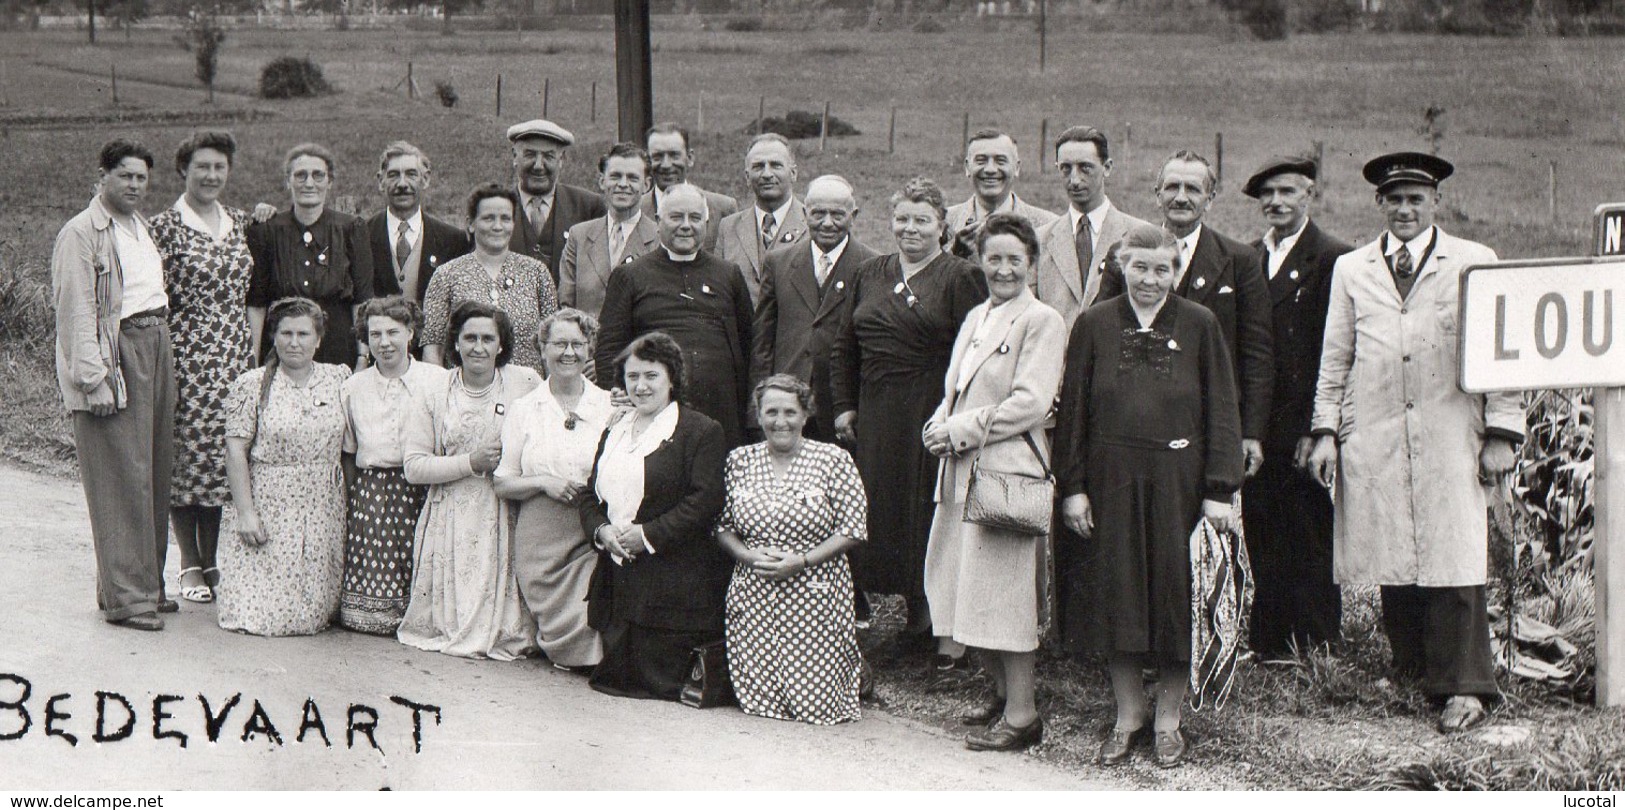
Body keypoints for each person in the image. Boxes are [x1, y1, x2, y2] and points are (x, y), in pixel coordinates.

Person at [1307, 152, 1523, 734]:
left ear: (1436, 203)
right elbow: (1336, 358)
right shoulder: (1354, 269)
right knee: (1393, 546)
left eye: (1415, 199)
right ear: (1378, 203)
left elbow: (1501, 355)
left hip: (1453, 428)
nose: (1404, 209)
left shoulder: (1474, 262)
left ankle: (1466, 685)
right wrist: (1326, 430)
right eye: (1394, 199)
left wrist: (1502, 432)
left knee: (1455, 553)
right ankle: (1414, 668)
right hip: (1376, 427)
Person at [1054, 225, 1244, 768]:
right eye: (1140, 267)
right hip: (1110, 476)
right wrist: (1074, 489)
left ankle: (1168, 720)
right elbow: (1073, 415)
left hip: (1179, 480)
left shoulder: (1200, 324)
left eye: (1162, 269)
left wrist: (1219, 490)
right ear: (1121, 266)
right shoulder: (1092, 324)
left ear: (1176, 271)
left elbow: (1222, 410)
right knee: (1119, 595)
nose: (1150, 280)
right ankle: (1128, 715)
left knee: (1173, 595)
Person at [922, 214, 1066, 751]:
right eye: (994, 258)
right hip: (962, 467)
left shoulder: (1042, 320)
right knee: (964, 586)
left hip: (1006, 471)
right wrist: (939, 421)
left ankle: (1024, 714)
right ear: (980, 260)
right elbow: (959, 388)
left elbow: (1030, 403)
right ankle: (1002, 694)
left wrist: (956, 430)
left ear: (1031, 263)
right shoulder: (979, 315)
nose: (1003, 269)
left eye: (1014, 259)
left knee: (1004, 595)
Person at [830, 176, 987, 648]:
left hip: (929, 411)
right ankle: (899, 614)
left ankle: (932, 625)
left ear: (942, 226)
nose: (910, 229)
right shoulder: (870, 272)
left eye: (922, 220)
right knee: (882, 511)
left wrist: (954, 416)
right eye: (902, 219)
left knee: (926, 511)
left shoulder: (961, 276)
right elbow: (844, 345)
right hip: (877, 413)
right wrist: (844, 406)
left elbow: (974, 355)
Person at [52, 138, 178, 631]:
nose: (134, 185)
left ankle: (143, 584)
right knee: (119, 476)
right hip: (115, 352)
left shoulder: (139, 226)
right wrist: (94, 379)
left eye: (142, 177)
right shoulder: (81, 233)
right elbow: (76, 310)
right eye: (125, 175)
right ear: (103, 176)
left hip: (155, 342)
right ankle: (129, 600)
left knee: (152, 469)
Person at [1097, 150, 1274, 479]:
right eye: (1172, 187)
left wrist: (1251, 432)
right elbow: (1100, 334)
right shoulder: (1125, 253)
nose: (1181, 197)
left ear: (1210, 199)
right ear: (1157, 194)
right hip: (1135, 424)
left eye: (1193, 189)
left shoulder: (1240, 260)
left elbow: (1256, 352)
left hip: (1208, 427)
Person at [1238, 156, 1353, 659]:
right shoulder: (1248, 257)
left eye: (1287, 192)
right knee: (1262, 523)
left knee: (1306, 529)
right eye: (1268, 195)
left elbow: (1330, 347)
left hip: (1301, 420)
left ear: (1308, 195)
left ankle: (1315, 640)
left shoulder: (1331, 257)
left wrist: (1317, 426)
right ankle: (1268, 641)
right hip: (1259, 422)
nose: (1276, 203)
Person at [580, 332, 729, 700]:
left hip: (672, 588)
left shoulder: (700, 431)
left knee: (655, 685)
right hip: (618, 582)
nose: (641, 386)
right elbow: (589, 493)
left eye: (651, 376)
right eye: (633, 377)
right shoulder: (615, 428)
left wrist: (646, 535)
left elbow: (704, 501)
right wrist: (602, 531)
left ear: (672, 378)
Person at [716, 374, 869, 724]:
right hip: (755, 590)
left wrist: (801, 561)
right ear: (758, 415)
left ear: (805, 415)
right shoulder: (740, 460)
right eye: (770, 412)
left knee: (816, 709)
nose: (779, 421)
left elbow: (854, 530)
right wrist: (745, 555)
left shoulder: (833, 460)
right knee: (759, 705)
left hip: (814, 591)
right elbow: (722, 525)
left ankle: (849, 673)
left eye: (789, 412)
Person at [398, 301, 542, 660]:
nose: (479, 347)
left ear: (501, 344)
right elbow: (414, 467)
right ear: (456, 343)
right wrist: (470, 462)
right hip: (450, 515)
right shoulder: (434, 390)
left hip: (504, 508)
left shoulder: (525, 382)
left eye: (488, 338)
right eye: (470, 338)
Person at [148, 130, 252, 606]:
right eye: (202, 167)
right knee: (186, 456)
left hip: (233, 355)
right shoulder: (162, 228)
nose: (211, 176)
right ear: (183, 171)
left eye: (219, 167)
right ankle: (189, 560)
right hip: (185, 355)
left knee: (223, 456)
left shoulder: (241, 221)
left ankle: (213, 559)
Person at [217, 297, 351, 636]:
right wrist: (246, 512)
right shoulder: (253, 384)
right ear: (274, 337)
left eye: (304, 334)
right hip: (271, 503)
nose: (294, 342)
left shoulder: (338, 379)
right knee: (267, 617)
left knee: (314, 615)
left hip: (323, 506)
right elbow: (235, 451)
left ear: (318, 339)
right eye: (286, 333)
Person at [494, 308, 613, 670]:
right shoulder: (525, 409)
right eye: (559, 343)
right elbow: (503, 482)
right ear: (542, 349)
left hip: (590, 527)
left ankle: (593, 660)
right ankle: (570, 655)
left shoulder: (610, 405)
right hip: (541, 538)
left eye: (578, 344)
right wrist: (543, 482)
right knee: (560, 615)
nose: (569, 352)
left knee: (594, 600)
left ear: (590, 349)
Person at [596, 184, 755, 448]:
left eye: (694, 218)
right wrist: (621, 393)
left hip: (720, 406)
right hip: (654, 406)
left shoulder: (728, 274)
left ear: (706, 222)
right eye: (676, 217)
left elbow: (749, 341)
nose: (685, 225)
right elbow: (608, 348)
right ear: (658, 221)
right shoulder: (630, 276)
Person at [338, 296, 448, 635]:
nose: (384, 343)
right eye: (374, 335)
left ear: (411, 333)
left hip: (424, 485)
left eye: (393, 332)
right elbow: (349, 450)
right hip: (374, 491)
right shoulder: (353, 387)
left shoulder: (437, 380)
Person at [750, 175, 879, 443]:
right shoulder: (779, 262)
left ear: (853, 215)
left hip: (842, 408)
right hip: (787, 403)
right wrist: (759, 403)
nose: (828, 223)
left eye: (837, 214)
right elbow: (762, 342)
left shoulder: (872, 265)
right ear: (805, 213)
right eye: (819, 213)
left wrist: (857, 405)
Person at [246, 143, 373, 369]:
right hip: (284, 347)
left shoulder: (351, 228)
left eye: (318, 175)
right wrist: (254, 361)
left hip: (337, 347)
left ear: (329, 182)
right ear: (288, 181)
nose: (309, 183)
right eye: (300, 175)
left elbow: (362, 300)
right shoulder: (267, 230)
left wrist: (362, 357)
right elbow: (257, 303)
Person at [420, 183, 558, 372]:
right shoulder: (446, 275)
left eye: (505, 219)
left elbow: (552, 342)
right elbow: (432, 347)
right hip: (466, 394)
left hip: (526, 392)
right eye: (488, 218)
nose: (498, 226)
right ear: (471, 223)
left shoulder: (537, 272)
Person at [1031, 126, 1152, 330]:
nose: (1075, 180)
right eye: (1066, 168)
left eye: (1085, 168)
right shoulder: (1038, 240)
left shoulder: (1140, 235)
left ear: (1107, 167)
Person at [559, 143, 660, 319]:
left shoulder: (659, 238)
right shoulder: (579, 236)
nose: (623, 184)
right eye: (615, 176)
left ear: (646, 185)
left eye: (632, 178)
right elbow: (566, 303)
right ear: (602, 182)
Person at [367, 141, 471, 305]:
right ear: (381, 181)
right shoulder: (361, 236)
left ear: (426, 179)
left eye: (411, 174)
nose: (402, 184)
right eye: (393, 175)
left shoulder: (453, 240)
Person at [506, 118, 607, 286]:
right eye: (530, 154)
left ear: (561, 160)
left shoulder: (589, 206)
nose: (538, 165)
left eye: (548, 156)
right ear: (515, 156)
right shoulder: (493, 207)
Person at [719, 133, 807, 307]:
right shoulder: (728, 227)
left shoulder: (813, 224)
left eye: (776, 165)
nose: (767, 174)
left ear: (793, 173)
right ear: (747, 176)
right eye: (758, 166)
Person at [945, 130, 1058, 258]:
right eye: (981, 161)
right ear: (967, 167)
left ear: (1016, 168)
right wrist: (954, 255)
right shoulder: (942, 222)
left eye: (1000, 161)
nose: (990, 170)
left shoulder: (1049, 226)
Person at [642, 122, 739, 252]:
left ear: (690, 158)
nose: (666, 164)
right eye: (657, 156)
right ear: (647, 162)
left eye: (674, 155)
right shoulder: (636, 210)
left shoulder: (723, 209)